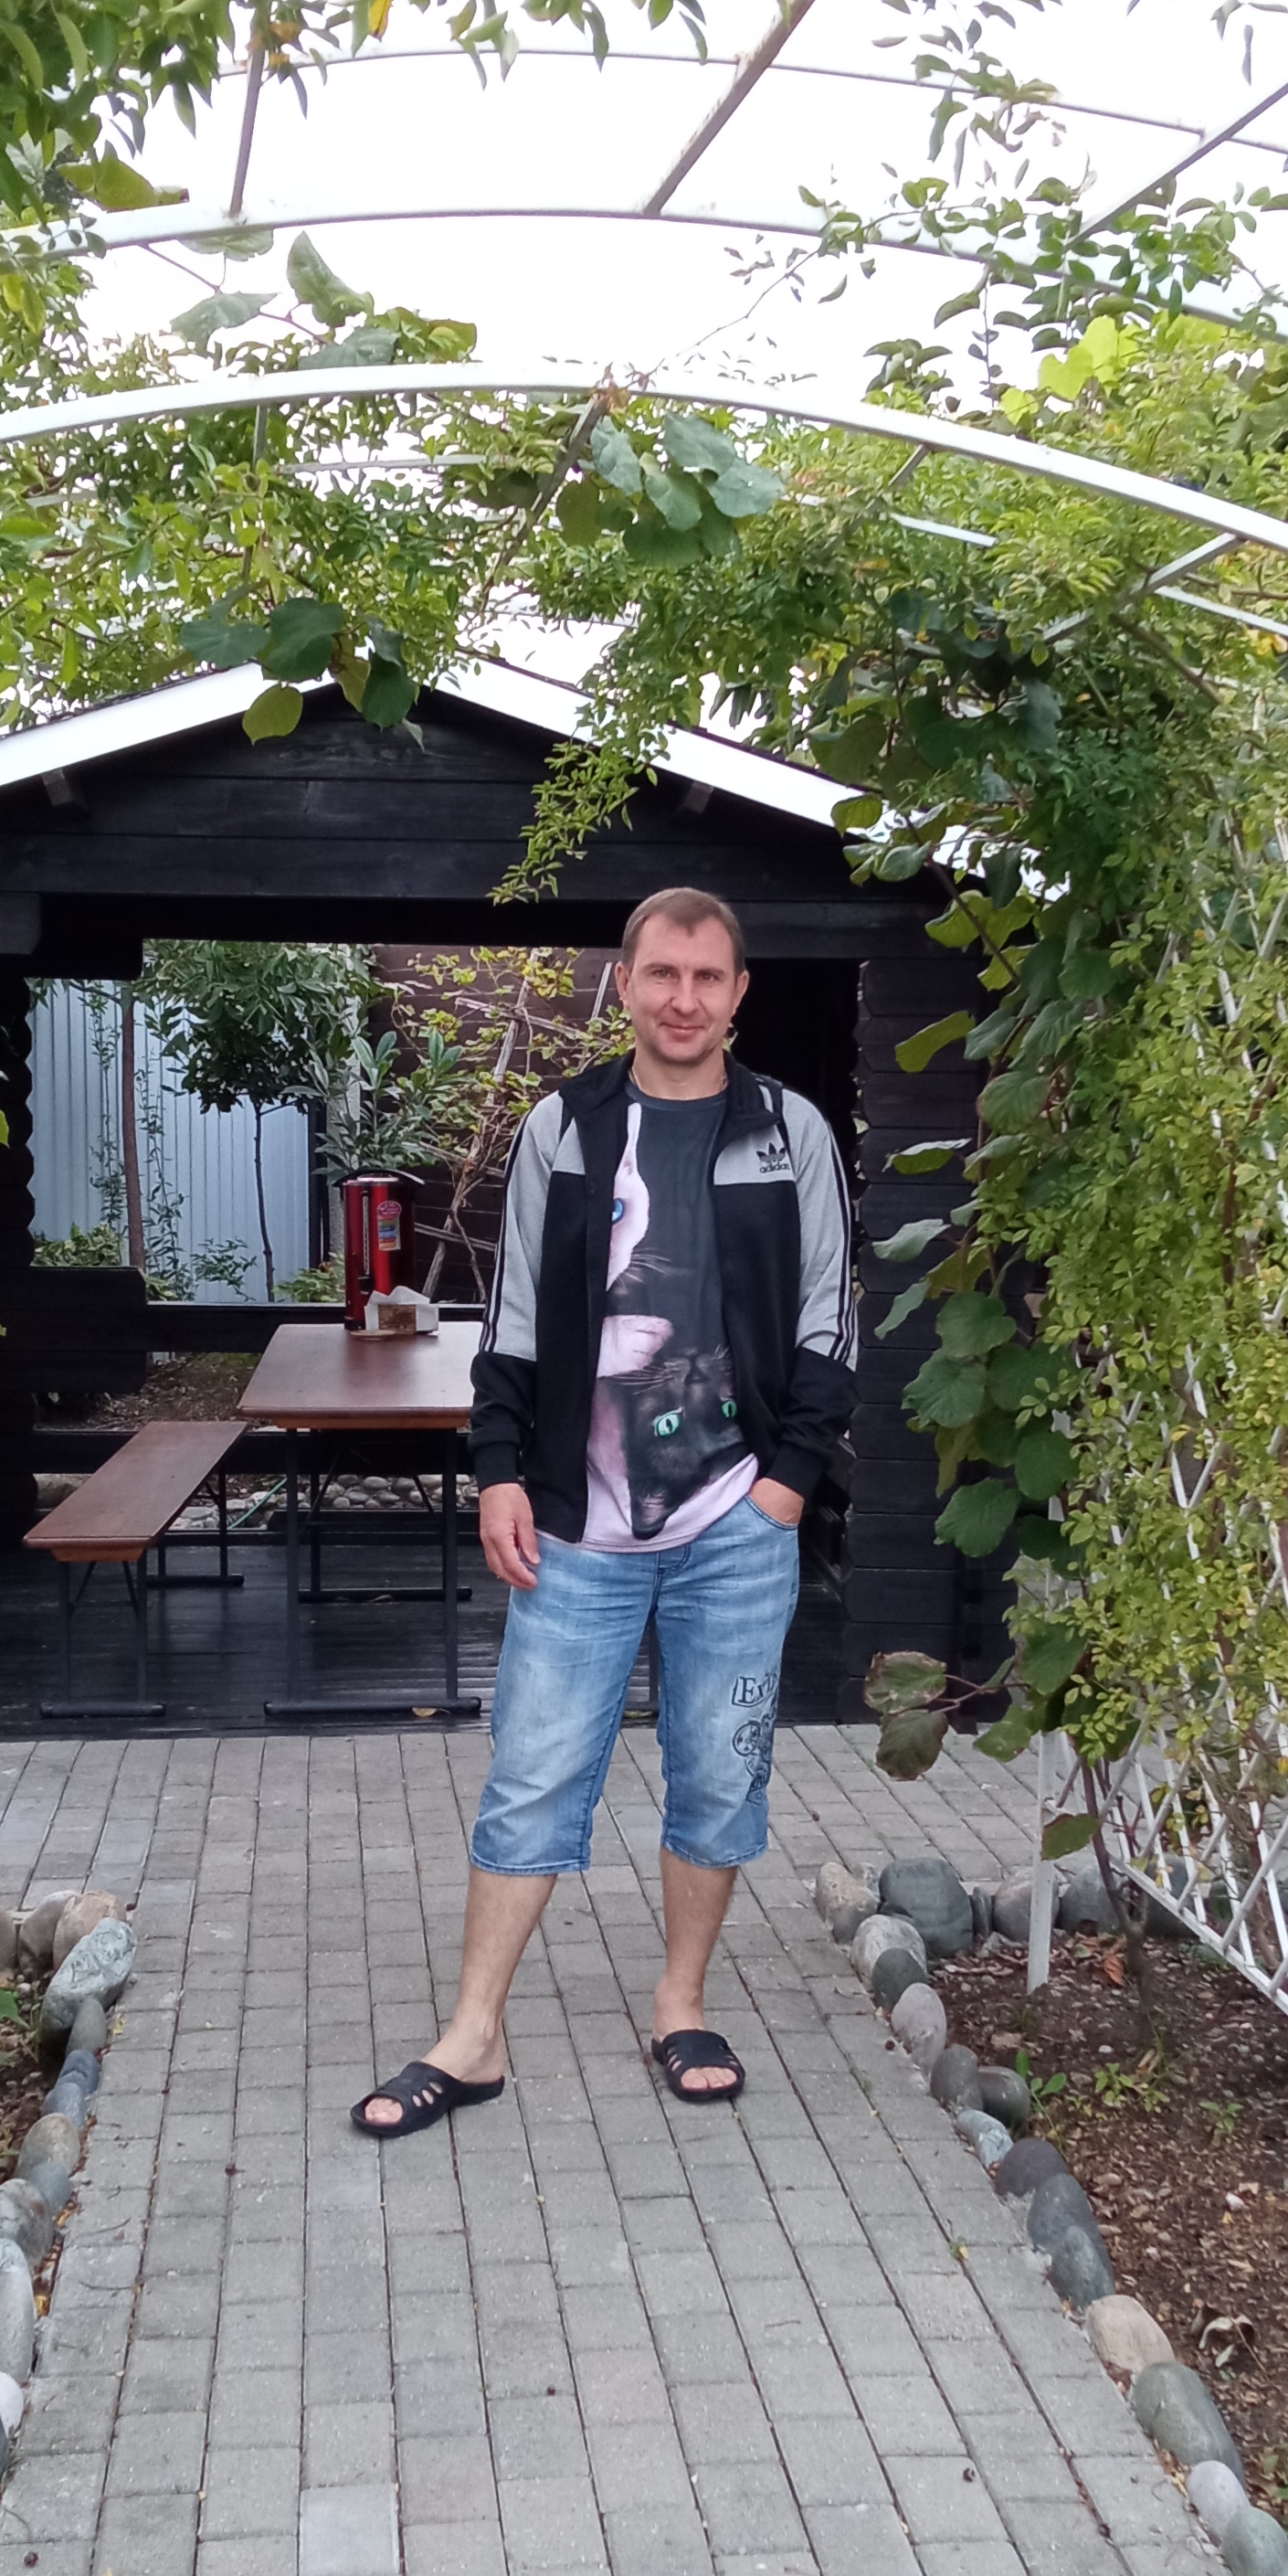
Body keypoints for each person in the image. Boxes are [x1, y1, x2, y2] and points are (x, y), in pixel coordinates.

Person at [354, 885, 857, 2132]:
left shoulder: (789, 1133)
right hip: (579, 1524)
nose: (684, 998)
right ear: (624, 984)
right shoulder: (565, 1129)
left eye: (708, 977)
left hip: (739, 1523)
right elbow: (514, 1318)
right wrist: (500, 1469)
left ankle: (681, 2004)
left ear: (739, 994)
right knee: (532, 1773)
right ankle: (474, 2034)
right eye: (662, 974)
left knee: (719, 1776)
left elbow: (830, 1320)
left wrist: (787, 1487)